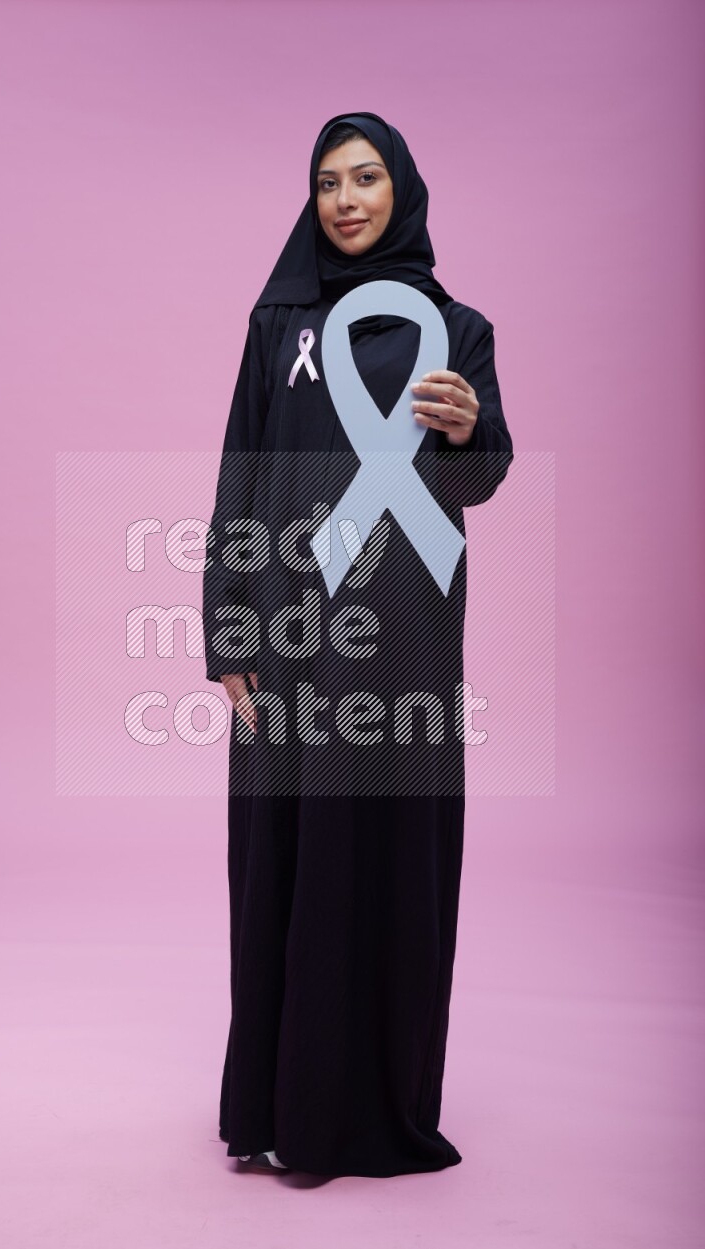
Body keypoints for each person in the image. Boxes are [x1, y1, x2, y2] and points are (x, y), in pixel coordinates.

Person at [202, 110, 513, 1178]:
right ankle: (277, 1109)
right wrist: (226, 626)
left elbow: (474, 479)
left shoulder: (456, 328)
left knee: (384, 858)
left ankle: (370, 1108)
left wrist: (470, 430)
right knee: (283, 857)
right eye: (326, 180)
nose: (344, 199)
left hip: (401, 648)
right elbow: (239, 472)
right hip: (288, 637)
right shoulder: (275, 323)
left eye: (365, 177)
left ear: (402, 189)